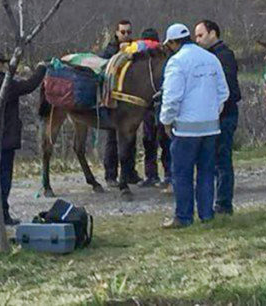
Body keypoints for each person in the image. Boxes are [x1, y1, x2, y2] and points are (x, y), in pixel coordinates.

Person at [159, 23, 229, 229]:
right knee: (207, 172)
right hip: (211, 128)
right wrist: (211, 112)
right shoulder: (211, 58)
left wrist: (166, 120)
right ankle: (206, 214)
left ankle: (183, 217)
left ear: (173, 43)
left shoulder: (176, 62)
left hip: (185, 130)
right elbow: (223, 92)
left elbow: (172, 97)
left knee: (182, 174)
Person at [0, 53, 47, 226]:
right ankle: (2, 214)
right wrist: (41, 68)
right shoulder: (3, 83)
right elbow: (28, 86)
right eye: (4, 64)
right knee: (3, 177)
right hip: (3, 138)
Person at [194, 20, 241, 214]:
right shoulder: (207, 55)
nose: (197, 40)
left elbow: (227, 88)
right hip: (211, 116)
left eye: (200, 35)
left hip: (224, 115)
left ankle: (224, 204)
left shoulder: (224, 55)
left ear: (213, 33)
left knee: (222, 160)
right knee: (212, 161)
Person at [98, 19, 141, 186]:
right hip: (113, 100)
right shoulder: (109, 49)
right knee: (112, 138)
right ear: (116, 32)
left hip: (130, 101)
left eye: (129, 32)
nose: (126, 35)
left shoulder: (134, 48)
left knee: (130, 138)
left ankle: (130, 172)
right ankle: (110, 175)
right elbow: (103, 65)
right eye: (123, 32)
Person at [137, 28, 170, 188]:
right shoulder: (161, 60)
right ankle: (160, 174)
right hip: (152, 107)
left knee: (156, 141)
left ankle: (158, 174)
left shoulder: (163, 60)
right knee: (154, 141)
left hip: (156, 106)